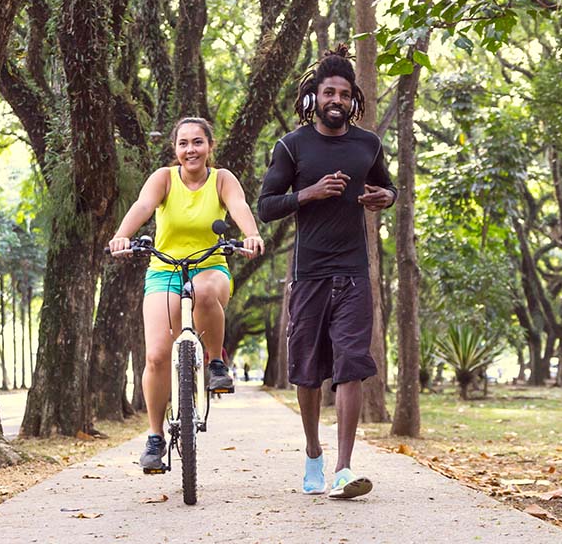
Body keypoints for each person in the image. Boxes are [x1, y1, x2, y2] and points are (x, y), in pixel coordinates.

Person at [257, 45, 396, 499]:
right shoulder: (292, 146)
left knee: (351, 365)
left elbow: (388, 187)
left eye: (344, 93)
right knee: (306, 372)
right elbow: (266, 206)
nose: (336, 99)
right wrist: (309, 193)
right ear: (314, 97)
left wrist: (384, 199)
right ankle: (314, 454)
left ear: (353, 99)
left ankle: (343, 468)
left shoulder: (368, 144)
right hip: (309, 272)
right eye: (328, 92)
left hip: (354, 270)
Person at [108, 117, 265, 472]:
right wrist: (122, 235)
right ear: (175, 149)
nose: (190, 150)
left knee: (203, 291)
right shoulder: (163, 178)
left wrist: (251, 233)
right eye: (183, 143)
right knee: (157, 357)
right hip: (164, 270)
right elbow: (143, 206)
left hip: (210, 267)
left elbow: (238, 206)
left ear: (210, 146)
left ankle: (215, 363)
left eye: (197, 142)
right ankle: (154, 437)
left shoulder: (222, 179)